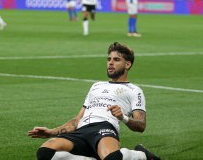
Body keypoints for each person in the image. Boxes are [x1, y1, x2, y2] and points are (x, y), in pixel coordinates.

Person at [28, 42, 161, 160]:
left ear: (127, 64)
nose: (110, 62)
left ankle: (141, 155)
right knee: (44, 153)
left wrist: (123, 117)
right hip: (82, 130)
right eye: (109, 59)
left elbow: (141, 125)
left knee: (112, 158)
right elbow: (77, 120)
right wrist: (50, 132)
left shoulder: (134, 90)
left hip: (104, 127)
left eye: (116, 60)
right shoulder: (96, 86)